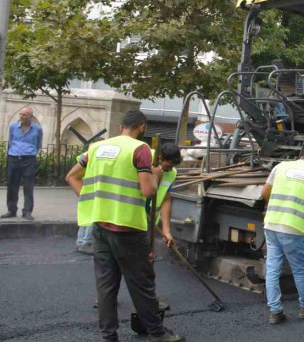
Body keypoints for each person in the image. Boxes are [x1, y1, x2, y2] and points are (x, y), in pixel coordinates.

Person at [65, 111, 183, 342]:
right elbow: (148, 191)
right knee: (142, 283)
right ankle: (157, 333)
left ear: (121, 127)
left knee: (106, 286)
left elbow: (71, 176)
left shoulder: (97, 148)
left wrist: (95, 201)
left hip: (101, 226)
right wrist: (154, 177)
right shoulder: (140, 150)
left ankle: (108, 336)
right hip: (129, 227)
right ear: (142, 127)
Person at [260, 151, 304, 325]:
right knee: (299, 270)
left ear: (301, 158)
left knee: (273, 268)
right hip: (294, 228)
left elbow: (264, 193)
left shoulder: (280, 166)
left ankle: (275, 312)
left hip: (272, 224)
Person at [3, 106, 42, 220]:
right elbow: (10, 141)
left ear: (31, 116)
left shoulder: (37, 129)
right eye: (21, 114)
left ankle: (27, 211)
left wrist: (31, 152)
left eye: (25, 114)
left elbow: (38, 144)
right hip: (14, 157)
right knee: (12, 185)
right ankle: (11, 210)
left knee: (28, 186)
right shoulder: (13, 127)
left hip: (29, 159)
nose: (22, 116)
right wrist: (13, 152)